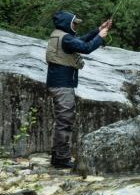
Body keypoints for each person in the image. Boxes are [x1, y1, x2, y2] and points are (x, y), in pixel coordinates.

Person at [45, 11, 112, 169]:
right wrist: (100, 37)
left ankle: (56, 156)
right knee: (65, 122)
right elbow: (86, 48)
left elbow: (79, 42)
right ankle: (62, 159)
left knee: (62, 121)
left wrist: (97, 30)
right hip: (63, 85)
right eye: (74, 23)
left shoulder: (59, 35)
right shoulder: (65, 37)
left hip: (57, 83)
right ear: (66, 23)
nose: (75, 26)